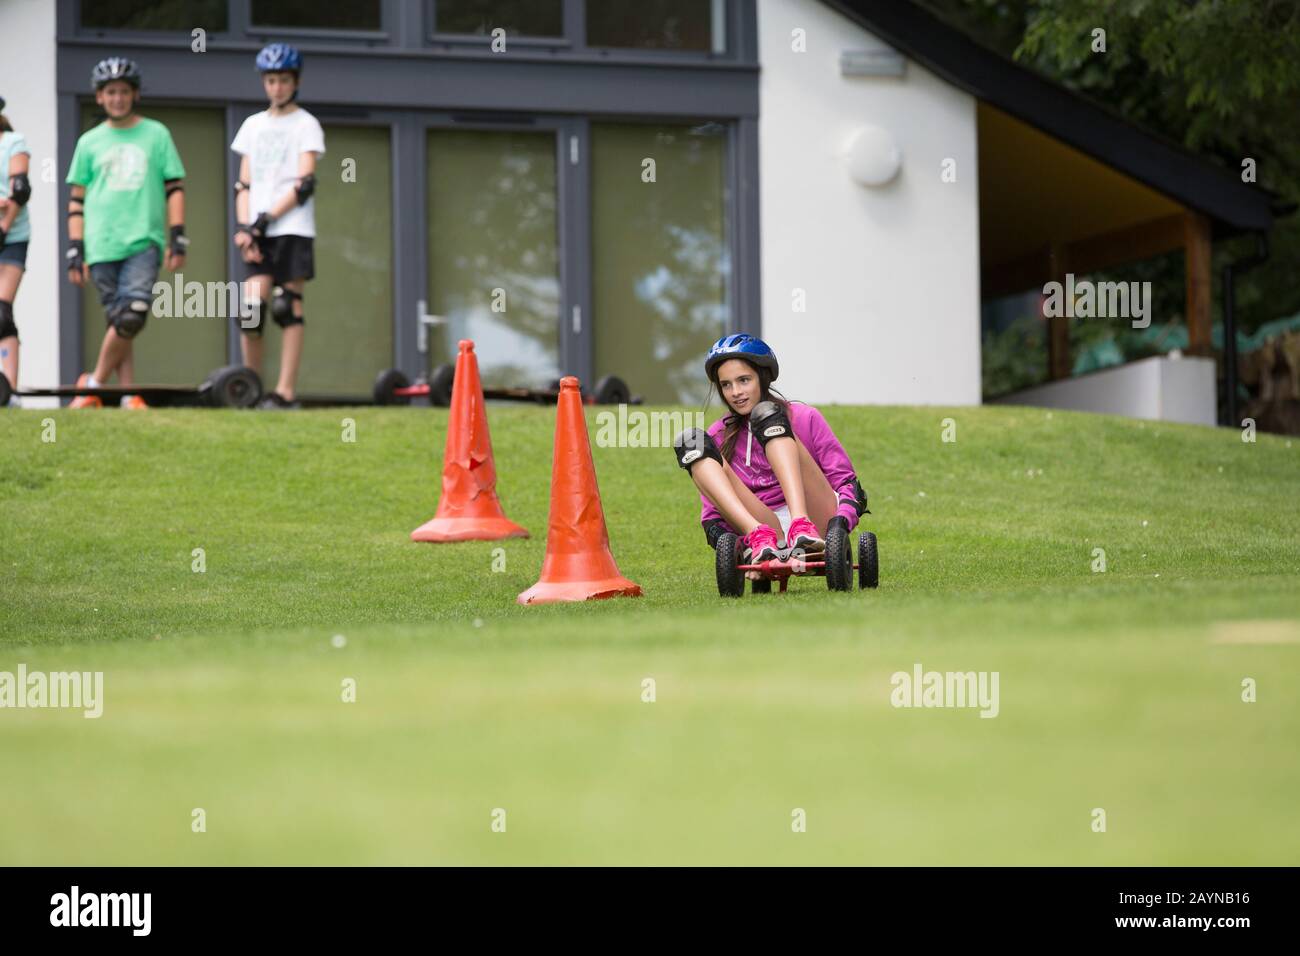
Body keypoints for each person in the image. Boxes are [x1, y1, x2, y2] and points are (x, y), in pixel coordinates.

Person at [672, 333, 869, 577]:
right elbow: (713, 514)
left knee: (768, 415)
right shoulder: (719, 434)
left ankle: (800, 524)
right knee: (691, 442)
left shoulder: (805, 417)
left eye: (744, 380)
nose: (735, 392)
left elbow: (846, 483)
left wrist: (840, 524)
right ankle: (758, 535)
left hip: (816, 517)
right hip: (765, 528)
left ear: (762, 378)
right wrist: (738, 548)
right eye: (726, 385)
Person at [65, 57, 188, 409]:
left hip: (143, 239)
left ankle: (93, 385)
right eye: (110, 92)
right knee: (119, 321)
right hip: (101, 242)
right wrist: (75, 246)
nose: (117, 98)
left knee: (133, 312)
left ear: (134, 94)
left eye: (123, 91)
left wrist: (178, 234)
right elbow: (76, 200)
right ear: (100, 97)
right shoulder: (89, 142)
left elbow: (174, 187)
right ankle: (127, 395)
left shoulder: (156, 134)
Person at [231, 42, 325, 410]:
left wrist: (265, 219)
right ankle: (250, 389)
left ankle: (285, 392)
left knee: (288, 307)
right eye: (271, 80)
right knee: (250, 311)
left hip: (292, 228)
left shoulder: (306, 125)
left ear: (295, 82)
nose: (276, 87)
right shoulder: (252, 126)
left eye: (283, 80)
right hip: (256, 230)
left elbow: (304, 185)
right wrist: (245, 226)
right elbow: (243, 184)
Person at [0, 95, 32, 406]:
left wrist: (4, 226)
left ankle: (9, 391)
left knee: (1, 311)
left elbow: (19, 189)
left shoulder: (12, 142)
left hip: (11, 236)